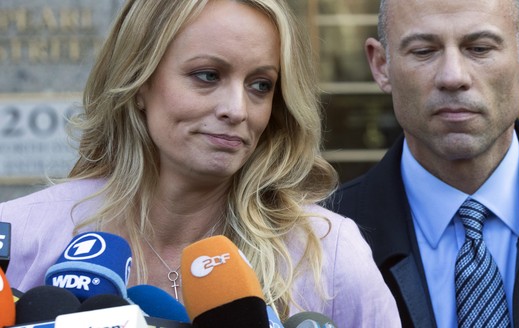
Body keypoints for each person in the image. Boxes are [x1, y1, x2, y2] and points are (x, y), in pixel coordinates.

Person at [0, 0, 401, 325]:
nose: (237, 109)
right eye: (207, 75)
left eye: (260, 85)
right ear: (139, 82)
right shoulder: (20, 238)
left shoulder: (326, 253)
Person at [327, 0, 519, 327]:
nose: (452, 76)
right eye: (423, 51)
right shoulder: (322, 241)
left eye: (478, 48)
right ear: (380, 65)